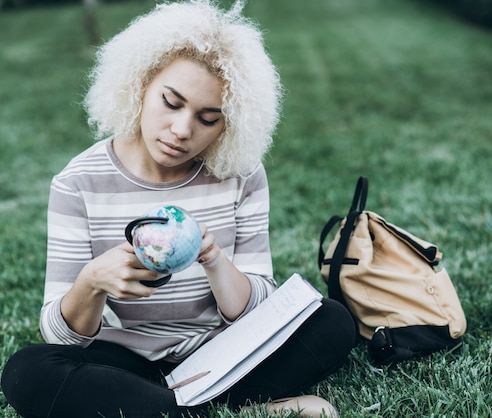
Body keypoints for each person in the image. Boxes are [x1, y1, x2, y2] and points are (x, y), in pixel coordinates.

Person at [0, 1, 356, 417]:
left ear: (230, 124)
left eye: (209, 119)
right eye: (171, 102)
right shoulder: (78, 182)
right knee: (28, 371)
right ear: (140, 84)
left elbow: (260, 303)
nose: (183, 130)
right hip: (119, 359)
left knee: (331, 320)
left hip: (218, 355)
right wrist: (92, 281)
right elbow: (61, 337)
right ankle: (220, 410)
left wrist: (214, 259)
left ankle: (159, 409)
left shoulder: (240, 174)